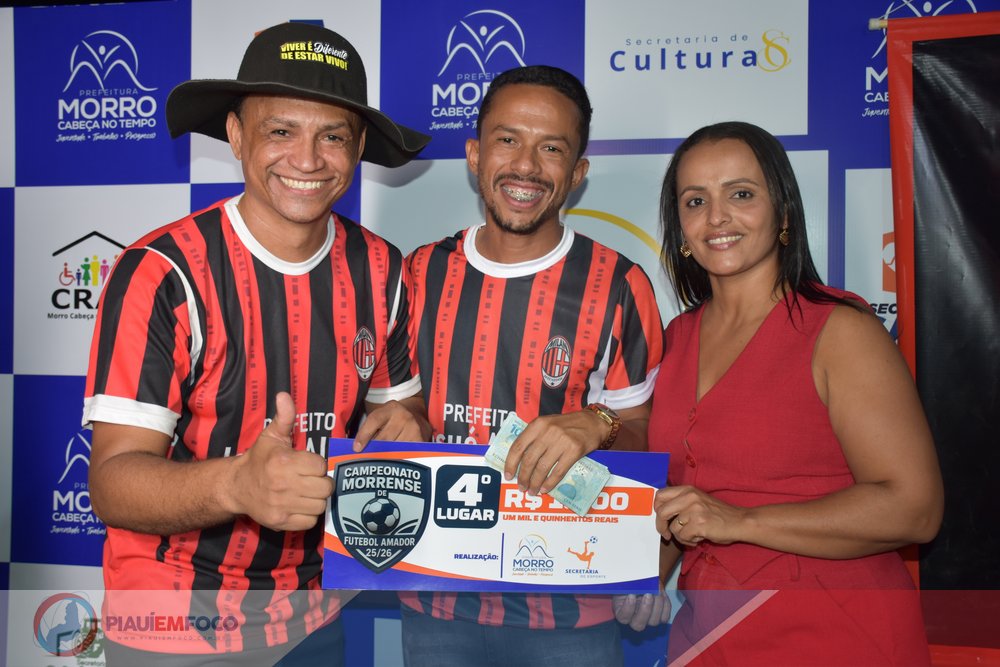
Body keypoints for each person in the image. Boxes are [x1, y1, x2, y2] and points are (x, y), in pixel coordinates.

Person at [83, 22, 431, 667]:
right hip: (172, 623)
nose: (308, 159)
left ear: (358, 148)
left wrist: (407, 423)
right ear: (237, 135)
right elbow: (111, 483)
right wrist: (236, 486)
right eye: (281, 131)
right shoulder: (161, 272)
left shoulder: (382, 268)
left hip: (316, 613)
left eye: (333, 136)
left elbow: (402, 412)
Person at [399, 65, 668, 667]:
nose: (526, 166)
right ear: (475, 154)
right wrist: (404, 416)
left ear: (577, 173)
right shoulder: (418, 273)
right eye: (507, 140)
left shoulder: (620, 284)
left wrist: (598, 423)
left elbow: (645, 435)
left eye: (551, 148)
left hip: (572, 608)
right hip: (436, 598)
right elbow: (399, 402)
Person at [649, 121, 944, 665]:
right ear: (680, 228)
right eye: (695, 201)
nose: (717, 217)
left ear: (784, 214)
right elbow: (680, 498)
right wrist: (643, 578)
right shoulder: (674, 339)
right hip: (707, 636)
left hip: (836, 635)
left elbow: (914, 509)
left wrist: (741, 521)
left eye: (741, 194)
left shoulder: (840, 330)